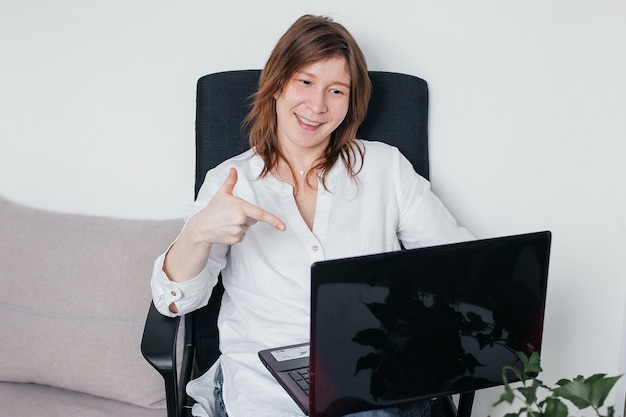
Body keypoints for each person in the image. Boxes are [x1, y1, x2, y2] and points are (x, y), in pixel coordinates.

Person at [151, 14, 473, 417]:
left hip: (371, 374)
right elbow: (173, 303)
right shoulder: (230, 182)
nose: (317, 106)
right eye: (305, 82)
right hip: (264, 383)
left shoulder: (386, 168)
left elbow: (461, 268)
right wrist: (197, 234)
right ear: (277, 83)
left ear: (350, 102)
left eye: (336, 90)